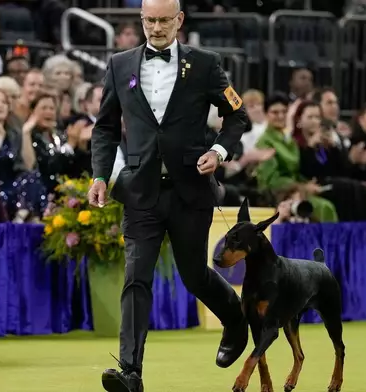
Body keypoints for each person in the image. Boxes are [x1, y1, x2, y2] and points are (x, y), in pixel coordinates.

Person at [88, 0, 249, 390]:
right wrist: (99, 176)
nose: (156, 27)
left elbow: (238, 116)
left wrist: (218, 151)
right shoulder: (119, 64)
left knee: (194, 276)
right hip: (140, 192)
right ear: (141, 20)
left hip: (189, 192)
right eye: (149, 20)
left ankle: (235, 321)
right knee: (135, 278)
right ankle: (130, 372)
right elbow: (105, 128)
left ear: (179, 21)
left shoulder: (206, 63)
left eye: (164, 20)